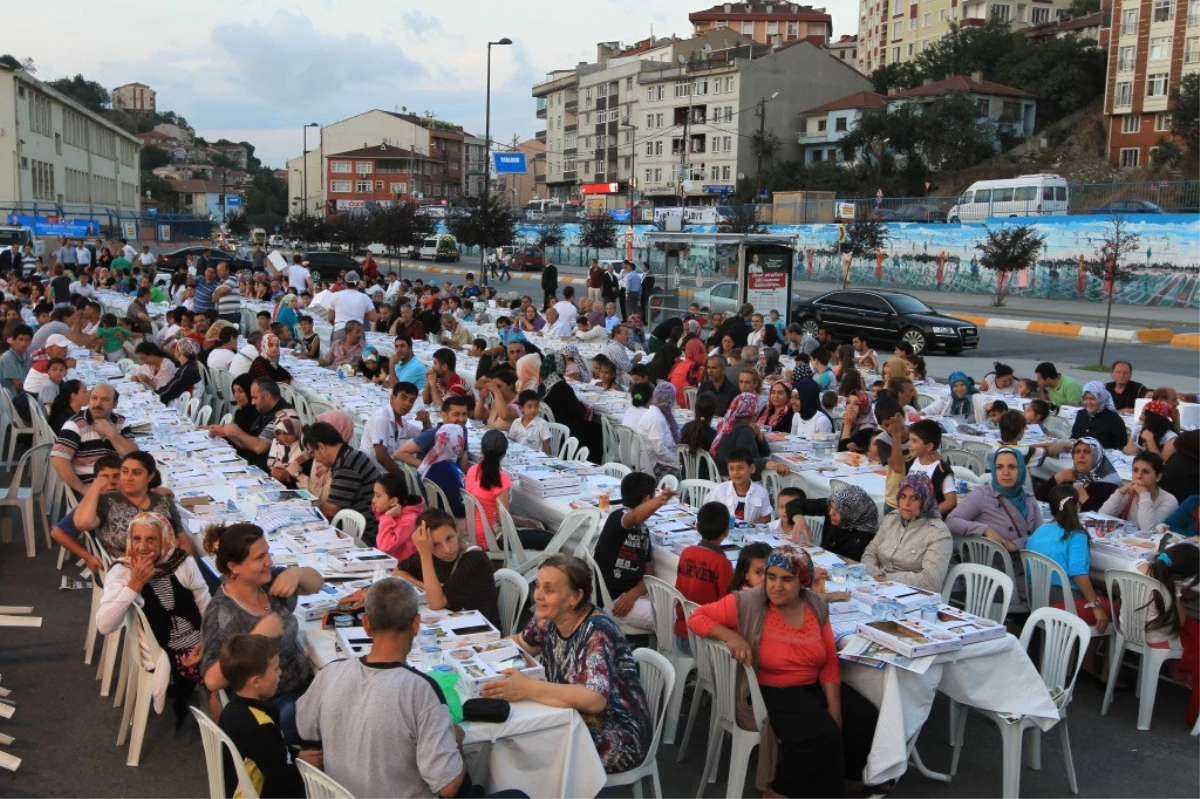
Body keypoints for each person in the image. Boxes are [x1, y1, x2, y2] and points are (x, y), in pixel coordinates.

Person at [687, 546, 879, 797]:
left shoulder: (815, 605)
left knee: (864, 716)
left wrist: (835, 707)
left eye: (787, 579)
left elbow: (829, 660)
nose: (776, 586)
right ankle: (779, 791)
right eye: (771, 577)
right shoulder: (748, 602)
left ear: (803, 582)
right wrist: (731, 637)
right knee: (823, 735)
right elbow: (696, 617)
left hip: (810, 685)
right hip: (771, 688)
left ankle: (849, 780)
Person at [298, 579, 514, 799]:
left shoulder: (330, 674)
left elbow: (304, 729)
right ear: (416, 624)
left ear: (366, 624)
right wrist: (454, 737)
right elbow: (449, 787)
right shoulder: (420, 691)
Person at [481, 554, 651, 775]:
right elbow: (524, 642)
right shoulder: (549, 616)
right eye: (538, 586)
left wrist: (528, 688)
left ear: (575, 597)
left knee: (517, 745)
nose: (538, 596)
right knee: (511, 738)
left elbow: (594, 699)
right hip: (571, 717)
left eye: (549, 590)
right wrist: (478, 649)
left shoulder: (596, 631)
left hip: (617, 736)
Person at [200, 523, 323, 739]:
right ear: (234, 567)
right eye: (259, 558)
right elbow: (212, 679)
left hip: (302, 685)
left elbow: (316, 584)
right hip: (272, 704)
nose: (269, 562)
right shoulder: (223, 613)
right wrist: (257, 637)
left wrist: (297, 573)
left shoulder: (267, 582)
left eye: (267, 553)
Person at [95, 512, 210, 723]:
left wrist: (206, 640)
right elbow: (104, 625)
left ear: (164, 540)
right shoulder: (123, 571)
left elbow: (205, 605)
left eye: (151, 539)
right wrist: (133, 586)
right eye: (137, 539)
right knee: (226, 673)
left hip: (198, 640)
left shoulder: (181, 562)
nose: (142, 547)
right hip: (161, 650)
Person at [218, 634, 314, 798]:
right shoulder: (261, 728)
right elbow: (285, 783)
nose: (280, 672)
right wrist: (309, 774)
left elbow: (269, 753)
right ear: (256, 682)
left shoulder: (231, 710)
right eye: (275, 669)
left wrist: (296, 755)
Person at [1025, 484, 1112, 633]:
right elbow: (1078, 573)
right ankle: (1094, 655)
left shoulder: (1040, 531)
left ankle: (1083, 652)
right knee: (1118, 613)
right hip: (1066, 605)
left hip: (1037, 601)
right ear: (1077, 506)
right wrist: (1095, 605)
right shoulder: (1076, 535)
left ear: (1050, 508)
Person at [394, 508, 500, 627]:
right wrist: (425, 586)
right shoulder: (431, 553)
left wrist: (425, 555)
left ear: (457, 531)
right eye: (436, 544)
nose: (446, 549)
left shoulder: (475, 559)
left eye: (449, 538)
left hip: (481, 629)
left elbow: (436, 603)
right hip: (452, 624)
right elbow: (397, 572)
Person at [592, 472, 669, 632]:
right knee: (671, 619)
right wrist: (660, 501)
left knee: (676, 612)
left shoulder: (644, 531)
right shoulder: (618, 516)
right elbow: (633, 517)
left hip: (630, 596)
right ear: (648, 499)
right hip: (612, 599)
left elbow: (649, 574)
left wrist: (634, 594)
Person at [73, 450, 185, 559]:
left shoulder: (164, 502)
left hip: (167, 566)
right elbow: (82, 523)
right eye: (124, 472)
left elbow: (183, 541)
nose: (128, 478)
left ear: (150, 477)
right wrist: (95, 486)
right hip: (128, 570)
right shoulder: (106, 501)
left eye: (136, 473)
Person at [862, 472, 953, 592]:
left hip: (913, 595)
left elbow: (931, 581)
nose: (906, 503)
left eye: (914, 498)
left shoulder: (938, 533)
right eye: (903, 496)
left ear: (926, 500)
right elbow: (869, 554)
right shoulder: (892, 518)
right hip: (878, 587)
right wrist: (876, 575)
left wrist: (887, 579)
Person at [465, 430, 551, 551]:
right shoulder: (500, 479)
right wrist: (524, 523)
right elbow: (504, 520)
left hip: (472, 531)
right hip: (493, 539)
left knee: (531, 525)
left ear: (481, 449)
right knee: (550, 538)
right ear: (504, 453)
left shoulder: (472, 470)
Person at [947, 447, 1042, 555]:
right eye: (999, 467)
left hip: (1029, 566)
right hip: (992, 568)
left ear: (1020, 469)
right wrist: (985, 530)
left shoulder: (1029, 497)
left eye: (1012, 467)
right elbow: (951, 521)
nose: (1006, 472)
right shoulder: (983, 494)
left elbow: (1040, 535)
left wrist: (1016, 544)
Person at [51, 383, 138, 495]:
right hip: (91, 486)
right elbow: (59, 459)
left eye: (105, 399)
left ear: (115, 404)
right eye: (94, 398)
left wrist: (111, 433)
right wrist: (82, 488)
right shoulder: (76, 424)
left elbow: (134, 457)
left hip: (118, 484)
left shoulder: (120, 422)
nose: (98, 403)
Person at [306, 420, 382, 545]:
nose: (316, 459)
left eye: (313, 453)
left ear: (321, 447)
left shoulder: (347, 465)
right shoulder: (347, 455)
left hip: (365, 534)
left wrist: (307, 508)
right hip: (354, 528)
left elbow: (331, 510)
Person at [673, 502, 734, 650]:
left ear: (697, 527)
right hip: (706, 640)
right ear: (727, 531)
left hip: (680, 631)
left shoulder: (687, 552)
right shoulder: (723, 564)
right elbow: (727, 606)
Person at [539, 353, 602, 464]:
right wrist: (584, 406)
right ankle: (594, 462)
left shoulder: (542, 385)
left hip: (550, 426)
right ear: (559, 366)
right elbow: (580, 412)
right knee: (598, 430)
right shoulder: (561, 387)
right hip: (567, 429)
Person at [711, 392, 790, 478]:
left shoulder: (728, 423)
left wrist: (759, 436)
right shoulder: (743, 430)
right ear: (752, 411)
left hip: (722, 472)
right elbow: (745, 459)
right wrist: (769, 463)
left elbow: (765, 452)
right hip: (734, 476)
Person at [1035, 436, 1122, 512]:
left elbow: (1107, 518)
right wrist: (1056, 478)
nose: (1081, 455)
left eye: (1087, 452)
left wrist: (1084, 498)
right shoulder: (1068, 478)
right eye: (1077, 451)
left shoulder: (1109, 486)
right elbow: (1038, 498)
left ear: (1097, 456)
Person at [1099, 451, 1178, 530]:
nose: (1139, 476)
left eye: (1146, 472)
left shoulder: (1169, 501)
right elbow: (1101, 517)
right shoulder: (1129, 492)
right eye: (1135, 470)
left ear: (1158, 477)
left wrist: (1144, 495)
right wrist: (1120, 492)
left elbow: (1148, 530)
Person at [360, 381, 424, 474]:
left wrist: (426, 422)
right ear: (392, 398)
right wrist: (402, 478)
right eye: (403, 398)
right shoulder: (381, 419)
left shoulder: (402, 421)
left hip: (390, 469)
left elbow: (425, 436)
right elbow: (382, 457)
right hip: (375, 473)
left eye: (411, 400)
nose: (407, 404)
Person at [898, 419, 958, 517]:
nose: (909, 444)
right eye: (909, 439)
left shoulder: (941, 470)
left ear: (929, 446)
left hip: (930, 522)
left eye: (914, 441)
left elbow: (951, 502)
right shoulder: (910, 462)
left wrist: (926, 514)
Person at [711, 449, 773, 523]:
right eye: (731, 468)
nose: (736, 473)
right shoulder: (720, 490)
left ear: (752, 469)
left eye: (740, 468)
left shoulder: (761, 492)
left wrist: (749, 525)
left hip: (750, 533)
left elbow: (766, 517)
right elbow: (711, 514)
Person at [373, 473, 424, 562]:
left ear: (393, 501)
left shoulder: (409, 520)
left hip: (402, 570)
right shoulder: (389, 511)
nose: (373, 500)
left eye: (378, 496)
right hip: (387, 564)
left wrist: (387, 517)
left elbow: (385, 547)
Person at [1069, 381, 1129, 450]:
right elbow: (1074, 437)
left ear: (1101, 398)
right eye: (1085, 398)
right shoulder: (1081, 414)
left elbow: (1120, 447)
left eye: (1092, 399)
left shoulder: (1114, 420)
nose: (1088, 403)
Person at [156, 337, 202, 405]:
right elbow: (170, 387)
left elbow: (171, 391)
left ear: (180, 351)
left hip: (181, 408)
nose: (174, 350)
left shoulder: (187, 370)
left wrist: (153, 397)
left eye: (176, 348)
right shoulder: (189, 366)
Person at [507, 389, 552, 455]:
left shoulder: (542, 424)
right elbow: (512, 441)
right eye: (529, 406)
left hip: (537, 459)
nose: (533, 410)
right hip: (520, 456)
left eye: (536, 406)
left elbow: (547, 446)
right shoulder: (516, 423)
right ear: (521, 408)